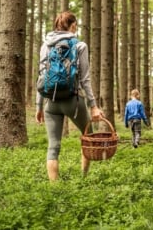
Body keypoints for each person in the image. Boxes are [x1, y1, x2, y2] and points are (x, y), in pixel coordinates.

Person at [35, 11, 103, 181]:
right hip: (73, 100)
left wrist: (38, 106)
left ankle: (54, 189)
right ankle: (83, 179)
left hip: (51, 102)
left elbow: (41, 76)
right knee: (88, 138)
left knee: (53, 146)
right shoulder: (80, 45)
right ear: (73, 25)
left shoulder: (46, 45)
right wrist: (93, 106)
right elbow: (85, 79)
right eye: (76, 25)